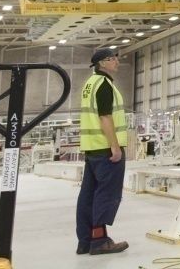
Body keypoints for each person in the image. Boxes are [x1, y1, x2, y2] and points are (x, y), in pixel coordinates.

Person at [76, 47, 129, 255]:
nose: (116, 61)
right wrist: (115, 147)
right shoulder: (104, 85)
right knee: (106, 195)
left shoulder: (90, 83)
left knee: (88, 195)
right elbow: (105, 117)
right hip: (105, 148)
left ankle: (85, 241)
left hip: (92, 149)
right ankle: (99, 241)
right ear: (102, 63)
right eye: (112, 58)